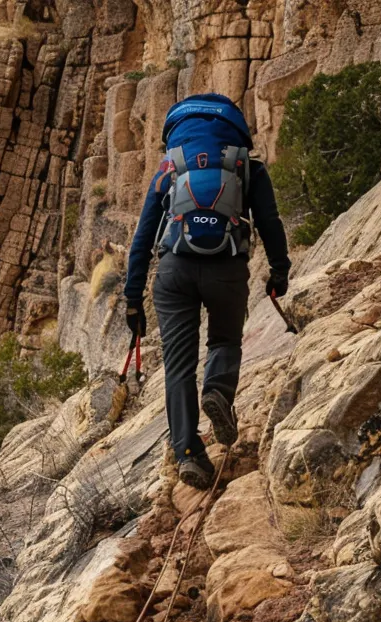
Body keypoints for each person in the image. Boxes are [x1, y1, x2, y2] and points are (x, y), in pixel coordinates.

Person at [122, 93, 291, 490]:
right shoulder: (246, 168)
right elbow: (270, 222)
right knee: (224, 342)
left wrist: (133, 298)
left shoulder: (169, 168)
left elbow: (143, 237)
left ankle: (188, 454)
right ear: (234, 129)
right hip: (227, 270)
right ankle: (216, 389)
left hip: (174, 272)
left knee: (178, 366)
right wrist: (279, 272)